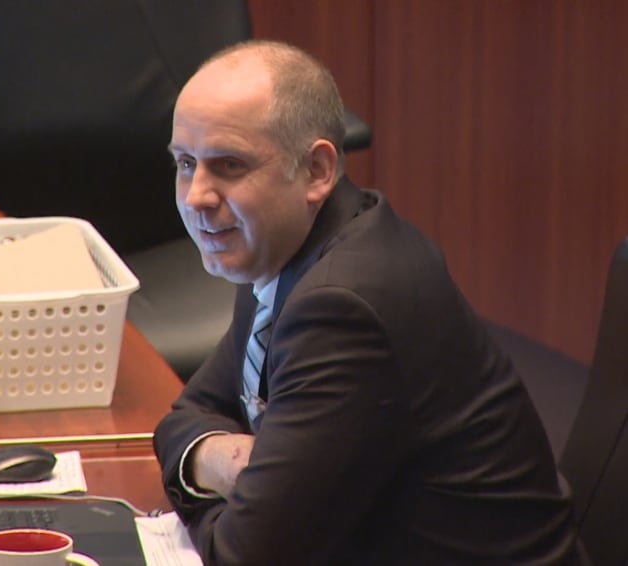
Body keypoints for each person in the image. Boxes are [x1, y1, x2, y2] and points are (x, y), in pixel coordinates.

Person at [153, 40, 578, 565]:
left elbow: (245, 555)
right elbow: (185, 417)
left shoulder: (341, 306)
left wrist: (208, 482)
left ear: (315, 171)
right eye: (186, 163)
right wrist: (223, 462)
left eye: (230, 165)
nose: (197, 195)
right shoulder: (286, 241)